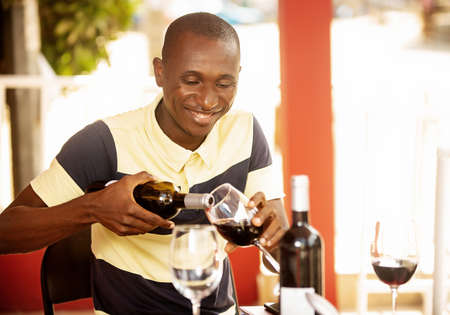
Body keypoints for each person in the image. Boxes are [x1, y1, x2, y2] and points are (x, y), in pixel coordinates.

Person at [0, 12, 288, 314]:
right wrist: (92, 208)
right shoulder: (105, 142)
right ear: (160, 73)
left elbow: (279, 248)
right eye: (191, 81)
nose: (207, 100)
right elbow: (5, 232)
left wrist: (273, 238)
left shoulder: (245, 130)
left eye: (224, 84)